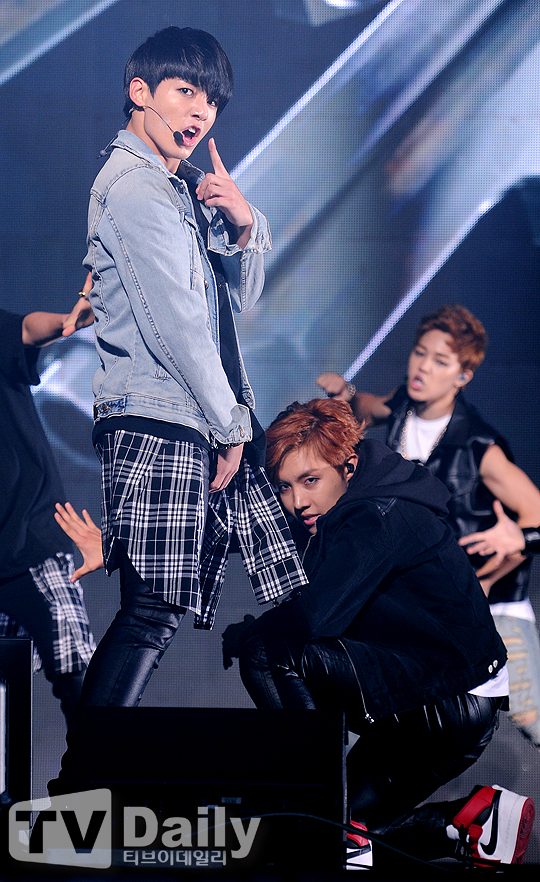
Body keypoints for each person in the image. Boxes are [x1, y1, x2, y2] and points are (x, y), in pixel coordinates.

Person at [72, 26, 306, 712]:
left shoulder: (174, 189)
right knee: (152, 611)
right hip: (165, 419)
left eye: (213, 102)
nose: (201, 112)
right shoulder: (136, 191)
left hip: (195, 415)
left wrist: (245, 224)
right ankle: (88, 765)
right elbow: (176, 325)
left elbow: (236, 304)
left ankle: (312, 749)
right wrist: (230, 425)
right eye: (186, 91)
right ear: (139, 92)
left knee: (283, 578)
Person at [238, 398, 535, 869]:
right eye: (286, 487)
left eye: (310, 480)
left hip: (449, 701)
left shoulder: (374, 514)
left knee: (265, 650)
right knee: (326, 835)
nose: (298, 502)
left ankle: (314, 797)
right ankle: (466, 824)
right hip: (454, 699)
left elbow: (314, 621)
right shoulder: (364, 500)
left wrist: (254, 633)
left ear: (348, 466)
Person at [317, 304, 540, 748]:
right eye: (420, 353)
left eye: (440, 361)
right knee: (407, 711)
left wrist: (519, 535)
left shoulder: (478, 445)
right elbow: (370, 406)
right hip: (440, 604)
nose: (423, 367)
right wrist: (347, 393)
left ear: (463, 376)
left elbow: (535, 511)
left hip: (497, 605)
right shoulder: (402, 405)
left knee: (532, 721)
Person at [0, 284, 96, 730]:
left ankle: (100, 770)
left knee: (79, 675)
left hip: (29, 542)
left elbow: (25, 330)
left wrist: (65, 323)